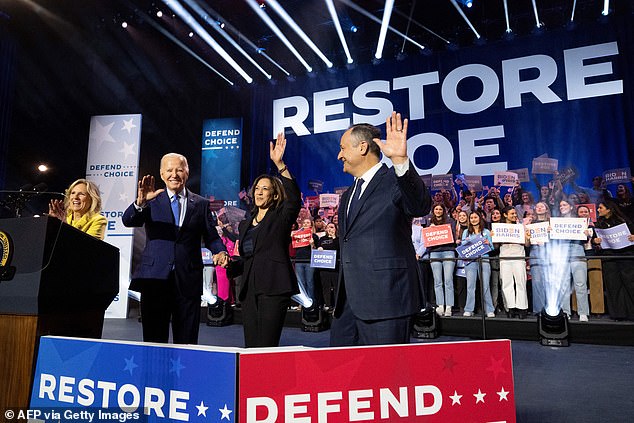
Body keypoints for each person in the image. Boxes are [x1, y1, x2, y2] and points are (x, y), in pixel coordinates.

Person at [330, 111, 431, 346]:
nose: (339, 155)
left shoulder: (394, 180)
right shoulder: (347, 195)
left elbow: (420, 205)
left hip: (386, 300)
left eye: (343, 148)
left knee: (385, 376)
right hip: (347, 306)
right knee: (342, 377)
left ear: (362, 147)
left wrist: (400, 162)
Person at [122, 153, 229, 344]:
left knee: (187, 339)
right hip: (154, 279)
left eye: (179, 169)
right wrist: (140, 203)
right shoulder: (151, 200)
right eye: (169, 170)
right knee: (154, 338)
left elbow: (211, 236)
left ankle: (185, 374)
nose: (174, 174)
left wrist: (220, 251)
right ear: (162, 174)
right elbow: (128, 220)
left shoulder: (201, 204)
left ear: (187, 173)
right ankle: (153, 374)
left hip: (187, 279)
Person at [231, 133, 302, 347]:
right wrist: (229, 263)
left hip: (273, 286)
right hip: (249, 289)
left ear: (275, 195)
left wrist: (280, 165)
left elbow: (294, 198)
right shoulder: (245, 223)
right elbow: (247, 258)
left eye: (265, 189)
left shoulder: (281, 217)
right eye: (257, 188)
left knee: (267, 344)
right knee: (251, 345)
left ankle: (268, 381)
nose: (260, 192)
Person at [592, 200, 634, 321]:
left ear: (609, 209)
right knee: (613, 285)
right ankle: (618, 314)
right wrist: (596, 241)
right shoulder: (599, 224)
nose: (598, 210)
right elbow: (595, 240)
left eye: (600, 208)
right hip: (609, 258)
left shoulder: (624, 221)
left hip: (625, 256)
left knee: (630, 284)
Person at [557, 199, 590, 321]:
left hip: (577, 249)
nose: (562, 207)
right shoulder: (556, 221)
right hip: (562, 252)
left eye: (564, 205)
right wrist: (550, 232)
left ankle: (583, 312)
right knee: (564, 284)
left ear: (571, 207)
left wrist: (587, 234)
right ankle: (566, 312)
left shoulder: (580, 221)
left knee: (580, 283)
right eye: (560, 205)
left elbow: (586, 240)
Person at [461, 211, 495, 317]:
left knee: (485, 285)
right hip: (470, 261)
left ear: (480, 218)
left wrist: (488, 244)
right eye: (471, 218)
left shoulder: (486, 232)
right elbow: (462, 248)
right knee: (470, 286)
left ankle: (489, 310)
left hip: (484, 259)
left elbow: (492, 247)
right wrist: (465, 242)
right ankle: (469, 309)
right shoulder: (466, 232)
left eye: (475, 217)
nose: (473, 219)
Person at [497, 206, 529, 318]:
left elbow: (527, 245)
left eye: (515, 213)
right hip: (505, 256)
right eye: (512, 214)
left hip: (518, 256)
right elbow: (496, 245)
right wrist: (493, 237)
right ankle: (510, 308)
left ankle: (522, 308)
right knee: (507, 283)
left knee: (520, 282)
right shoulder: (499, 228)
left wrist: (527, 238)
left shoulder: (521, 227)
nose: (515, 215)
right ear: (505, 215)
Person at [427, 203, 457, 317]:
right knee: (438, 282)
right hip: (434, 253)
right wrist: (430, 230)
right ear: (433, 211)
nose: (438, 211)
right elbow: (428, 238)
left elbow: (453, 237)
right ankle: (440, 306)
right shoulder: (430, 222)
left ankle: (449, 306)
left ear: (443, 210)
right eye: (436, 209)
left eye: (440, 209)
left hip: (448, 251)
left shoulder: (450, 221)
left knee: (448, 280)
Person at [316, 222, 340, 310]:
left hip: (335, 267)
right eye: (328, 227)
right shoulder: (322, 239)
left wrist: (334, 238)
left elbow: (338, 248)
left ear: (335, 229)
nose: (330, 229)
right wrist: (319, 248)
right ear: (325, 229)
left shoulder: (338, 239)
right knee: (325, 286)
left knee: (336, 286)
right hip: (324, 266)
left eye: (332, 227)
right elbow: (318, 248)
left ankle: (337, 305)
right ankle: (327, 304)